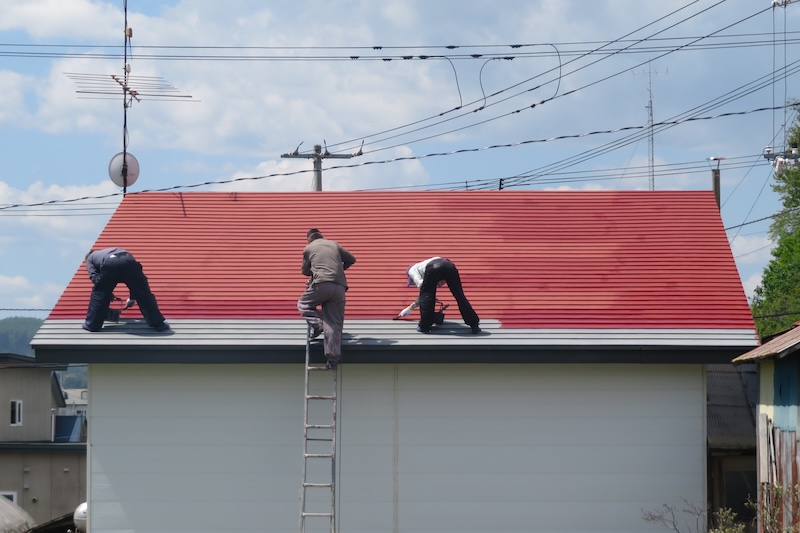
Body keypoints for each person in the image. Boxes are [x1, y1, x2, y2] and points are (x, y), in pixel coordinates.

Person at [297, 229, 356, 369]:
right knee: (334, 323)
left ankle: (318, 324)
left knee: (303, 304)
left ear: (309, 240)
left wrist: (316, 269)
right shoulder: (334, 244)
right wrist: (339, 268)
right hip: (340, 288)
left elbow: (304, 271)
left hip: (322, 284)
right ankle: (332, 360)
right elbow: (352, 259)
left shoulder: (309, 248)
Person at [82, 247, 170, 332]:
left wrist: (105, 292)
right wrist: (132, 297)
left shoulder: (89, 258)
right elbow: (137, 279)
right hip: (128, 259)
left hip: (110, 263)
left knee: (99, 294)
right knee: (143, 293)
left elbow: (94, 276)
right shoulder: (105, 252)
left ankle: (92, 325)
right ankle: (158, 324)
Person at [399, 256, 481, 334]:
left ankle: (424, 326)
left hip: (435, 268)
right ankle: (474, 324)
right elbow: (443, 269)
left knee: (427, 296)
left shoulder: (412, 270)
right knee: (459, 295)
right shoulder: (429, 263)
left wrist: (410, 308)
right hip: (450, 267)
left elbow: (424, 294)